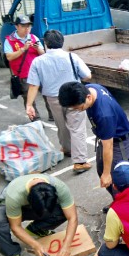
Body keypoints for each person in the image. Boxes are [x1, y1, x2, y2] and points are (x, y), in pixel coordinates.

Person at [58, 81, 129, 208]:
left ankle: (128, 210)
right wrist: (104, 173)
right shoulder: (90, 88)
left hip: (119, 142)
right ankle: (119, 202)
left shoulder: (104, 114)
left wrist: (106, 174)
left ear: (88, 98)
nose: (77, 110)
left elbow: (108, 147)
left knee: (120, 179)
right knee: (102, 169)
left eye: (78, 107)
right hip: (107, 138)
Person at [26, 30, 92, 174]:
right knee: (77, 128)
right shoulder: (71, 57)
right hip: (74, 96)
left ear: (46, 43)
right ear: (62, 42)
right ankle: (80, 161)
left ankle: (67, 149)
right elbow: (87, 76)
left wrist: (29, 105)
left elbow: (33, 85)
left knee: (61, 125)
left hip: (53, 98)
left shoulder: (38, 61)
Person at [0, 174, 78, 256]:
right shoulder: (14, 195)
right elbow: (16, 226)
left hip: (35, 206)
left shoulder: (60, 187)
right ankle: (12, 252)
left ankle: (36, 230)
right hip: (10, 206)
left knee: (65, 211)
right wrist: (35, 245)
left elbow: (72, 217)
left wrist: (66, 245)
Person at [3, 15, 52, 121]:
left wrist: (38, 48)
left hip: (39, 72)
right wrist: (23, 49)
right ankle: (35, 119)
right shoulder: (9, 40)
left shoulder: (34, 38)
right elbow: (9, 57)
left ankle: (53, 114)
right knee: (28, 97)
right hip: (23, 75)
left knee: (47, 93)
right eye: (23, 26)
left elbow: (44, 54)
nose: (27, 29)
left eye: (29, 26)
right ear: (17, 26)